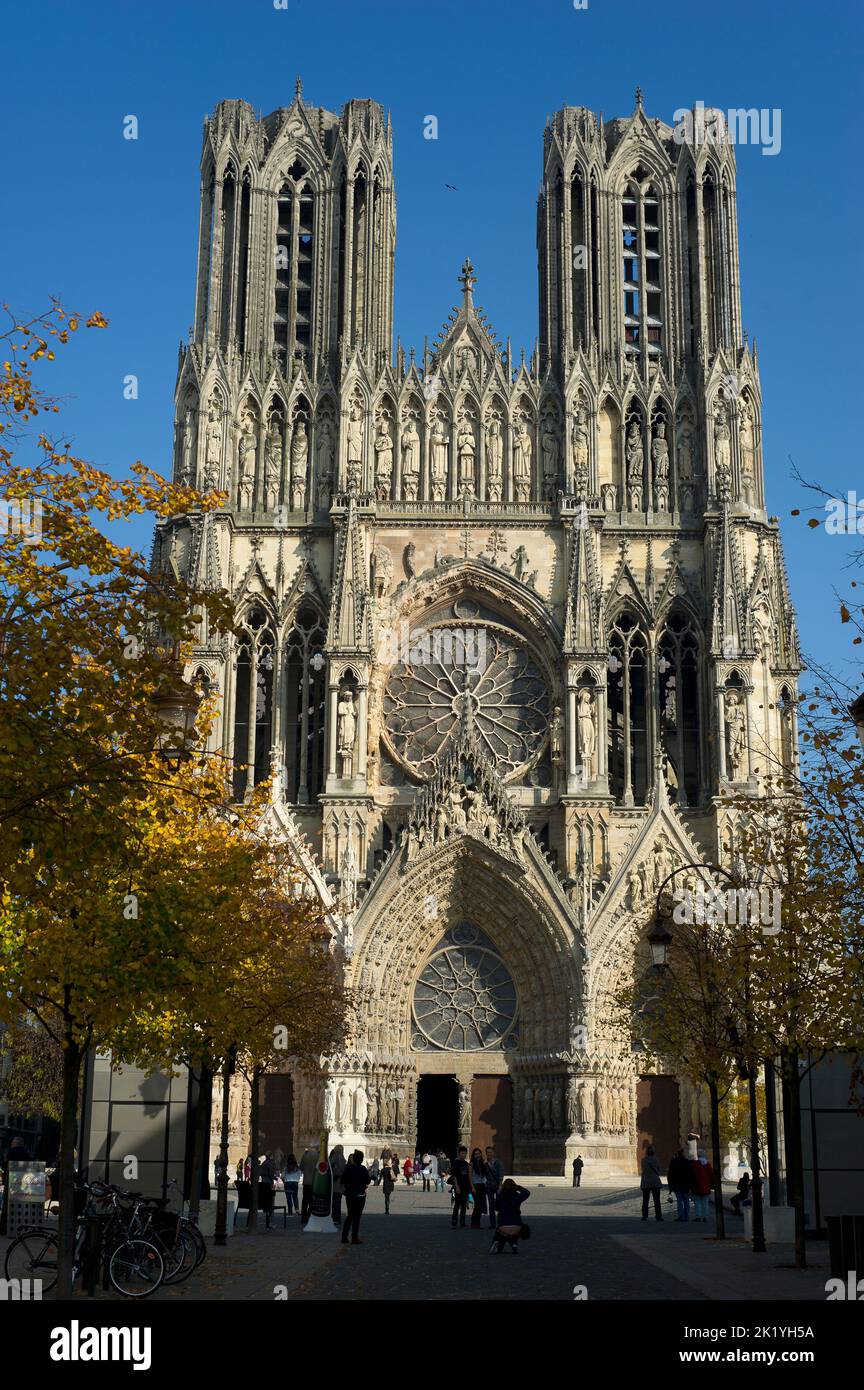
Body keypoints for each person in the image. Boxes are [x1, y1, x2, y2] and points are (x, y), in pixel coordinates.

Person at [490, 1178, 531, 1253]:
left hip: (503, 1226)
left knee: (500, 1234)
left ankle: (497, 1244)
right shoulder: (517, 1196)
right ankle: (514, 1244)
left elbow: (496, 1208)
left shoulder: (500, 1196)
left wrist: (498, 1194)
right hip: (517, 1226)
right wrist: (518, 1187)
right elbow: (527, 1193)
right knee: (513, 1231)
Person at [341, 1149, 370, 1244]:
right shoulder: (363, 1169)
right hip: (360, 1195)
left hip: (350, 1194)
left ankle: (344, 1236)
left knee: (350, 1215)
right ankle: (354, 1237)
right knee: (357, 1217)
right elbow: (368, 1181)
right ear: (361, 1159)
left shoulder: (348, 1168)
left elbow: (343, 1180)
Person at [448, 1145, 473, 1228]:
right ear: (459, 1154)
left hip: (465, 1186)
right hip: (458, 1186)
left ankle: (462, 1221)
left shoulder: (466, 1164)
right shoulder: (456, 1163)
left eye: (465, 1153)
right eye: (462, 1153)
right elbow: (454, 1176)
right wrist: (457, 1187)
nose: (464, 1155)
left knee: (464, 1205)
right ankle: (454, 1221)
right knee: (457, 1204)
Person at [667, 1148, 692, 1222]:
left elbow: (670, 1174)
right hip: (686, 1185)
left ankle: (681, 1216)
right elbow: (690, 1174)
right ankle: (686, 1216)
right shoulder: (687, 1162)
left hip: (677, 1184)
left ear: (678, 1154)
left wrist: (670, 1186)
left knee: (679, 1201)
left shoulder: (674, 1161)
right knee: (686, 1201)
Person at [640, 1145, 664, 1221]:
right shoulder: (656, 1160)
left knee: (645, 1200)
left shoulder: (643, 1160)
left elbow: (643, 1169)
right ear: (654, 1152)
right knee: (657, 1200)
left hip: (646, 1181)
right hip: (655, 1181)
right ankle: (658, 1216)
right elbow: (658, 1169)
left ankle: (644, 1216)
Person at [691, 1149, 714, 1222]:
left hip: (697, 1186)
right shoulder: (708, 1164)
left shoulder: (695, 1164)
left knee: (697, 1202)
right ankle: (705, 1217)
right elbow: (711, 1175)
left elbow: (692, 1175)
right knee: (705, 1202)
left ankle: (698, 1216)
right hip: (706, 1186)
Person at [299, 1144, 319, 1224]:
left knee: (305, 1200)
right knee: (312, 1200)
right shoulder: (318, 1156)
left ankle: (303, 1218)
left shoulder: (305, 1155)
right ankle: (309, 1215)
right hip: (315, 1181)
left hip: (306, 1181)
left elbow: (301, 1167)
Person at [469, 1148, 489, 1227]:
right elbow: (470, 1177)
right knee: (477, 1205)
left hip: (482, 1186)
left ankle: (477, 1223)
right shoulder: (471, 1164)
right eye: (476, 1154)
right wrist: (472, 1187)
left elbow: (485, 1176)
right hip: (475, 1186)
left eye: (479, 1153)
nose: (478, 1155)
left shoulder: (483, 1164)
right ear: (473, 1155)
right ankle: (474, 1222)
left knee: (480, 1205)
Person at [329, 1143, 347, 1228]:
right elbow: (344, 1169)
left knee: (334, 1202)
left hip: (335, 1182)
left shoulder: (334, 1157)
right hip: (340, 1184)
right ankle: (337, 1218)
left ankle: (334, 1218)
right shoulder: (342, 1158)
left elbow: (329, 1166)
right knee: (338, 1202)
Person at [485, 1145, 504, 1215]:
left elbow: (501, 1175)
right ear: (486, 1153)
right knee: (491, 1206)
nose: (489, 1154)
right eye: (487, 1152)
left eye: (490, 1152)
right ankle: (493, 1225)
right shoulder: (485, 1163)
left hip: (497, 1185)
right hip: (489, 1186)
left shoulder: (498, 1163)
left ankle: (500, 1223)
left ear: (493, 1153)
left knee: (499, 1205)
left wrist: (500, 1186)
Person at [258, 1153, 275, 1229]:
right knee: (270, 1203)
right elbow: (271, 1174)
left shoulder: (264, 1163)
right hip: (268, 1184)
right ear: (271, 1156)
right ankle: (270, 1222)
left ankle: (268, 1219)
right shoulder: (270, 1163)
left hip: (263, 1184)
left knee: (266, 1203)